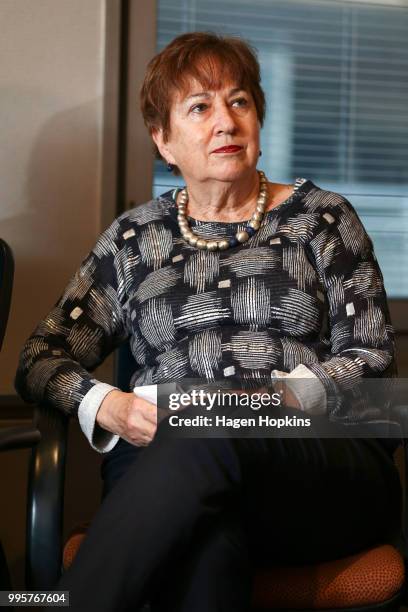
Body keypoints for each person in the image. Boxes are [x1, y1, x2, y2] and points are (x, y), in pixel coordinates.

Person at [15, 32, 402, 612]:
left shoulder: (322, 219)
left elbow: (373, 360)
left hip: (314, 471)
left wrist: (258, 405)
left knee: (206, 425)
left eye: (239, 101)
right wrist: (109, 405)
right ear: (163, 140)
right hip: (169, 475)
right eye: (200, 107)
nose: (226, 121)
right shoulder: (133, 241)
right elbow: (41, 358)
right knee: (203, 546)